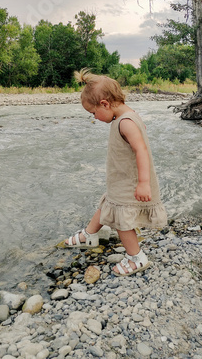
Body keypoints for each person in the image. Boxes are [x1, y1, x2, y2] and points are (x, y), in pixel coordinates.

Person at [65, 69, 167, 276]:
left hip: (131, 181)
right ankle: (89, 234)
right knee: (108, 203)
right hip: (121, 177)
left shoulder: (125, 122)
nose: (94, 117)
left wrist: (144, 183)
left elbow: (142, 150)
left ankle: (136, 257)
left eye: (93, 113)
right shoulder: (129, 115)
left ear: (105, 103)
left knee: (122, 219)